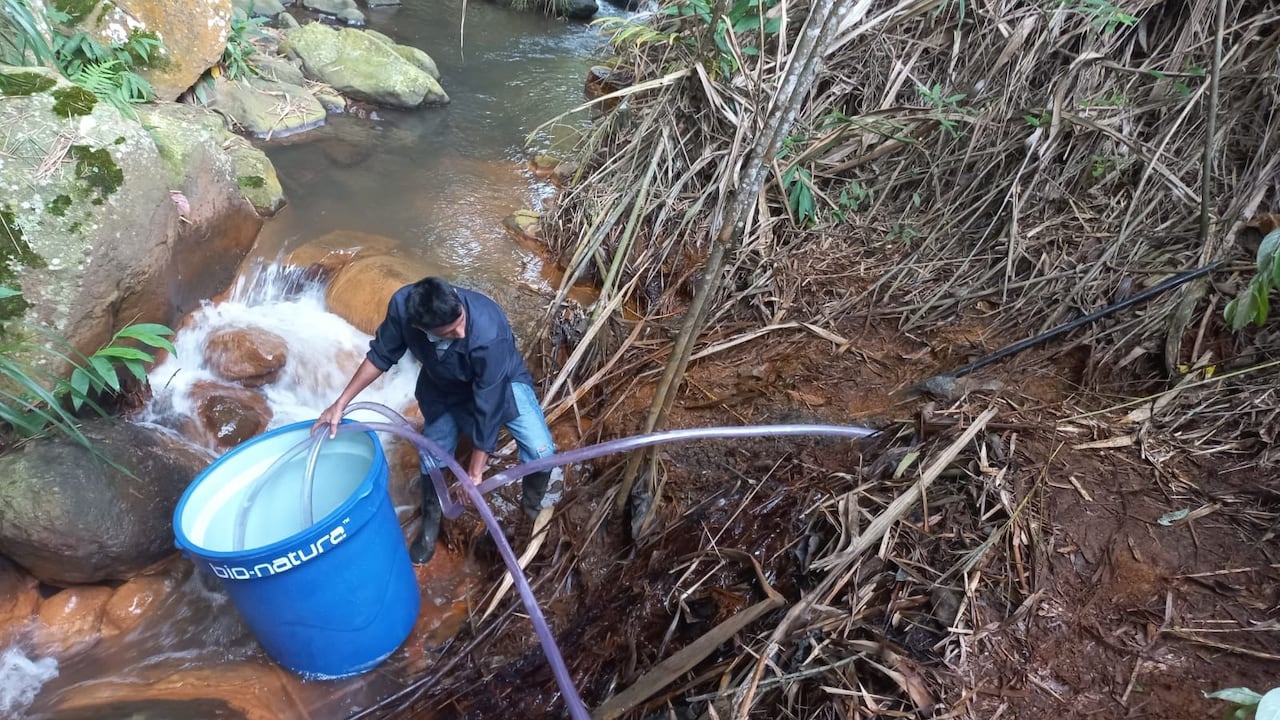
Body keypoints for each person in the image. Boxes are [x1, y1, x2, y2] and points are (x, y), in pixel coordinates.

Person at [315, 276, 557, 565]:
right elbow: (381, 355)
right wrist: (340, 403)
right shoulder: (404, 308)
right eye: (451, 331)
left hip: (500, 383)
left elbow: (489, 405)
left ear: (455, 294)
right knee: (432, 456)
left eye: (460, 321)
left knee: (542, 451)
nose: (462, 331)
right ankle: (431, 524)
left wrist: (474, 474)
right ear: (422, 329)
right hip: (443, 386)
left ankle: (531, 512)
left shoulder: (488, 331)